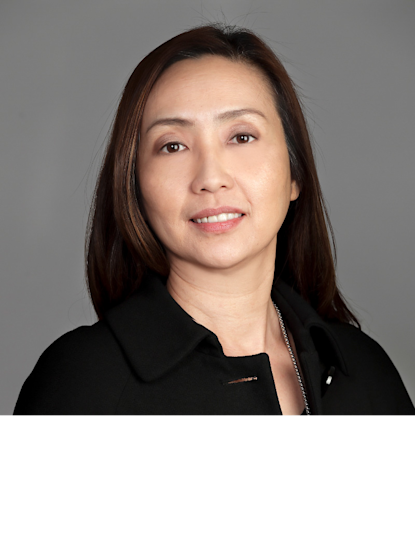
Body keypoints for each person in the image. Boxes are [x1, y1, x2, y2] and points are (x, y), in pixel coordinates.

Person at [14, 24, 414, 416]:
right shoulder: (82, 382)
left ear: (295, 173)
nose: (210, 178)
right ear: (135, 187)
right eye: (173, 146)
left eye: (241, 137)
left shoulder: (366, 372)